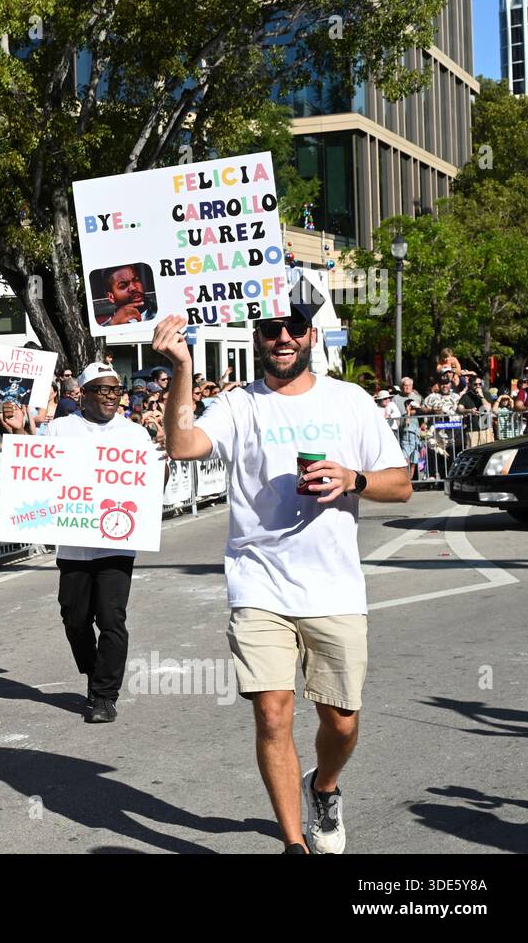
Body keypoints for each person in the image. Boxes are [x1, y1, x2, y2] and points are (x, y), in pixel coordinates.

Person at [154, 309, 411, 854]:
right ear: (258, 339)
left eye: (294, 328)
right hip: (259, 584)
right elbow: (182, 446)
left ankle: (323, 786)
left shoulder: (349, 401)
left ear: (311, 334)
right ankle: (293, 844)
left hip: (333, 588)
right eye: (272, 330)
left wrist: (353, 478)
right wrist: (181, 367)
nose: (284, 338)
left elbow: (402, 484)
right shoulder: (238, 404)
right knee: (272, 714)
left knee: (341, 723)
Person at [44, 363, 159, 724]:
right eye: (104, 390)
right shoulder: (59, 430)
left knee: (111, 619)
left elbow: (153, 482)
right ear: (85, 394)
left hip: (117, 543)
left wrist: (162, 466)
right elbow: (37, 472)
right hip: (74, 543)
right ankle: (95, 673)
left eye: (116, 391)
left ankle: (105, 695)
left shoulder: (134, 434)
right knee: (74, 619)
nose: (113, 396)